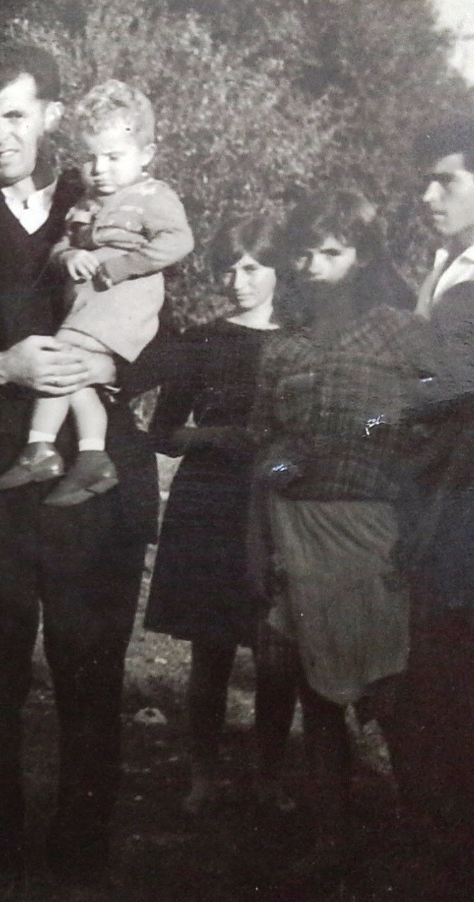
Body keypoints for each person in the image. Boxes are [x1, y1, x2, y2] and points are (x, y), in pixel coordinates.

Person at [0, 43, 162, 884]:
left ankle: (83, 853)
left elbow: (174, 339)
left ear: (52, 115)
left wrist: (110, 363)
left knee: (91, 673)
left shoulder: (119, 201)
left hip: (92, 484)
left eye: (14, 116)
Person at [250, 188, 421, 873]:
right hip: (297, 531)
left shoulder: (403, 333)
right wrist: (263, 528)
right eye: (305, 253)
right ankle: (331, 840)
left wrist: (367, 431)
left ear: (363, 256)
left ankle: (429, 841)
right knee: (316, 695)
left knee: (395, 694)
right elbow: (267, 452)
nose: (316, 266)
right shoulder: (281, 350)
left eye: (333, 252)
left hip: (375, 528)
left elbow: (422, 420)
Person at [143, 214, 299, 816]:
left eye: (253, 268)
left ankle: (269, 776)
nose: (239, 282)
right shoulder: (200, 339)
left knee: (275, 649)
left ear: (279, 270)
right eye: (229, 269)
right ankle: (202, 775)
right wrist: (211, 437)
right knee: (210, 650)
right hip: (209, 502)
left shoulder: (302, 341)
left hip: (277, 501)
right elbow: (163, 432)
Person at [0, 79, 193, 506]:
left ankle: (39, 448)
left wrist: (121, 267)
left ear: (146, 155)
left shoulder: (152, 195)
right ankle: (92, 457)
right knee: (77, 377)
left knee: (57, 362)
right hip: (88, 305)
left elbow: (178, 241)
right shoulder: (85, 203)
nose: (100, 169)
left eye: (114, 157)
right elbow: (62, 246)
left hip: (122, 303)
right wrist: (69, 257)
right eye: (90, 157)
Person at [393, 116, 474, 881]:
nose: (428, 195)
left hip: (460, 502)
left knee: (448, 673)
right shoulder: (447, 265)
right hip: (439, 495)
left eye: (445, 180)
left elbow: (449, 389)